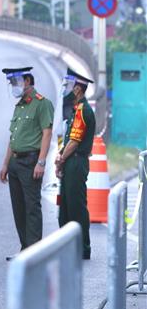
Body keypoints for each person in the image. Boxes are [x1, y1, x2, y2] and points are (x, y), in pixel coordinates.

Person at [0, 67, 54, 260]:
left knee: (32, 207)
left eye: (16, 82)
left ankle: (35, 251)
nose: (14, 86)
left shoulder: (42, 104)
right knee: (18, 208)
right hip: (15, 162)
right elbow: (13, 137)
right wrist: (5, 164)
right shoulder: (19, 106)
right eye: (12, 83)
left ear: (28, 81)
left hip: (31, 161)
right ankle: (25, 249)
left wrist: (41, 162)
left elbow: (47, 133)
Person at [56, 68, 96, 260]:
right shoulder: (75, 109)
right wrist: (61, 158)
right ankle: (68, 247)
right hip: (70, 161)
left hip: (76, 163)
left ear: (78, 89)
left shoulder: (82, 111)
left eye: (69, 85)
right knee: (65, 205)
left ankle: (82, 247)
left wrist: (61, 158)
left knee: (76, 206)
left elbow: (74, 141)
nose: (66, 89)